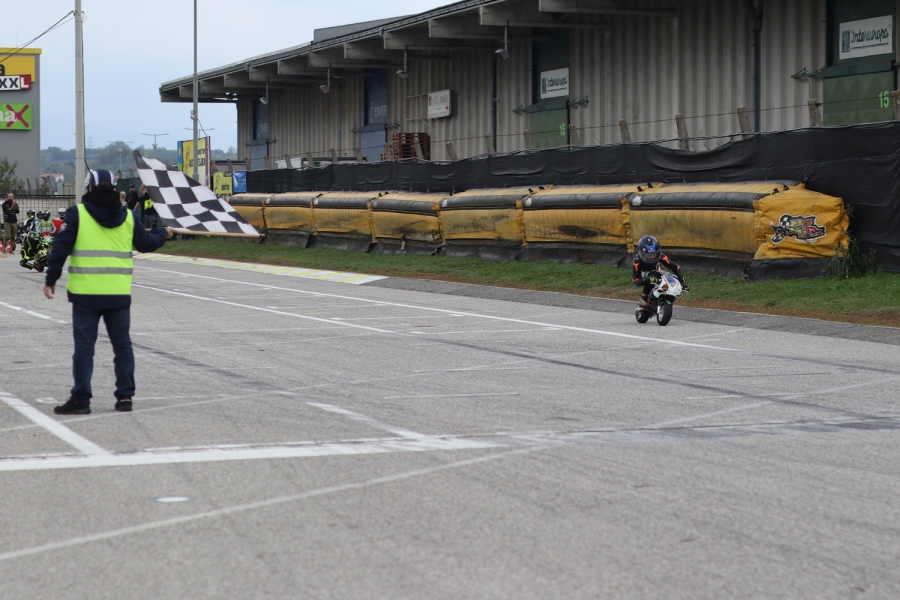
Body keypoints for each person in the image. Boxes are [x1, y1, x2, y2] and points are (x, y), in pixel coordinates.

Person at [44, 169, 174, 415]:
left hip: (85, 294)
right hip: (117, 294)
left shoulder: (78, 214)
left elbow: (61, 247)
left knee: (84, 348)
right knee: (122, 346)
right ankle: (125, 396)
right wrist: (162, 233)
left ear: (90, 187)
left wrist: (51, 278)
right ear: (114, 188)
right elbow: (145, 244)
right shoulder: (128, 216)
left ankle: (81, 399)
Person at [632, 235, 687, 310]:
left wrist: (682, 282)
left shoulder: (661, 256)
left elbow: (675, 267)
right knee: (653, 275)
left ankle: (668, 294)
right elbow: (635, 280)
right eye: (649, 255)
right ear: (642, 254)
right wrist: (647, 280)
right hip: (644, 274)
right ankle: (644, 297)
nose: (652, 257)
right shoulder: (637, 261)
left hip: (658, 272)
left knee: (672, 277)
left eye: (654, 254)